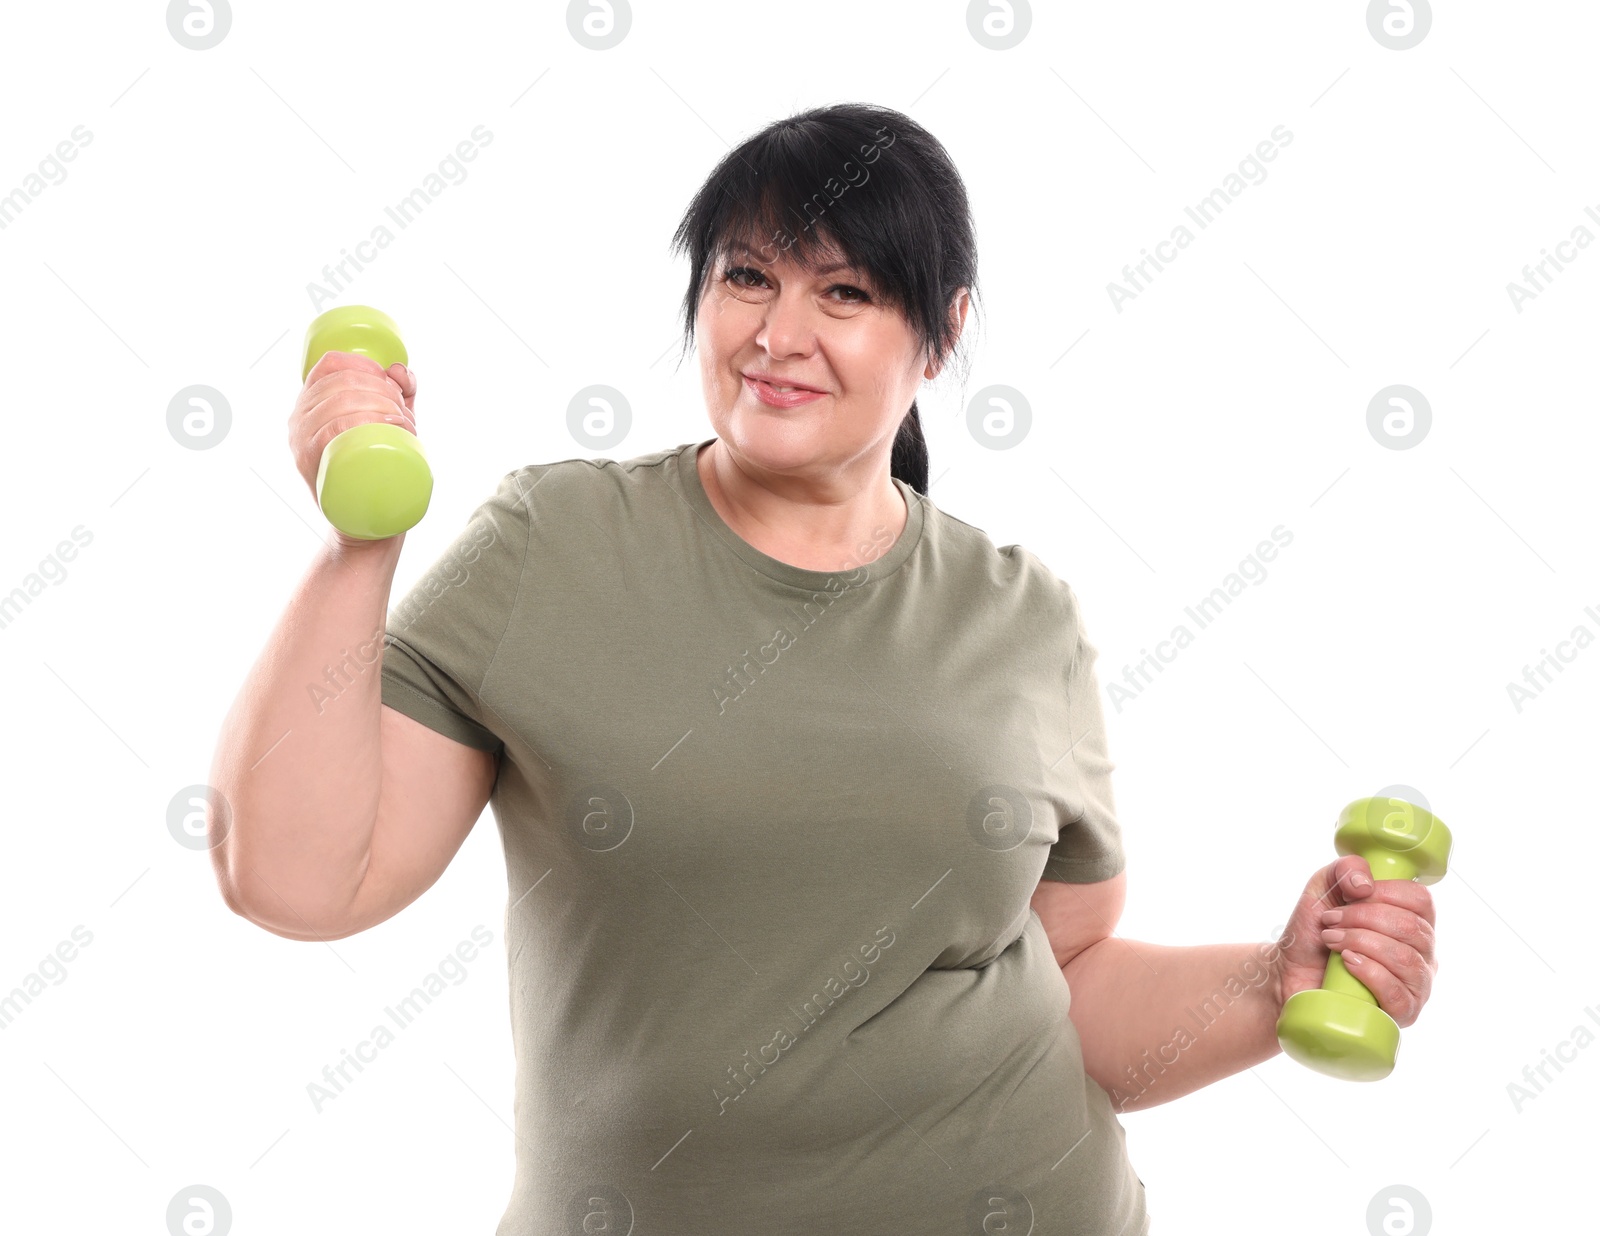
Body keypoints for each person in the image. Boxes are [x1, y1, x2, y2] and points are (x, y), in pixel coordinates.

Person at [209, 102, 1438, 1235]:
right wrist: (359, 542)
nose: (776, 334)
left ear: (941, 331)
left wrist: (1274, 982)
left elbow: (1068, 985)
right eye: (746, 276)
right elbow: (302, 882)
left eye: (842, 293)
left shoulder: (1023, 616)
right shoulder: (554, 546)